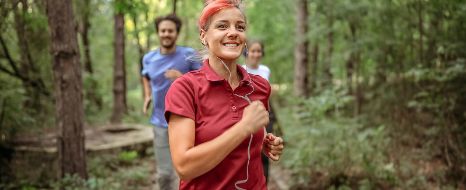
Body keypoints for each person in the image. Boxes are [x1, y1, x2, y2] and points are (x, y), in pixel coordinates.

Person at [164, 1, 284, 189]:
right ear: (204, 36)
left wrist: (264, 142)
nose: (233, 32)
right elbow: (184, 166)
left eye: (240, 27)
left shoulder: (260, 86)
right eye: (222, 26)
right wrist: (243, 128)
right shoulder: (185, 88)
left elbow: (253, 133)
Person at [141, 14, 201, 190]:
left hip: (187, 121)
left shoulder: (189, 55)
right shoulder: (148, 58)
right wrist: (147, 94)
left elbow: (204, 82)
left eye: (170, 31)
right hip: (160, 122)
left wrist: (181, 78)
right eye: (163, 30)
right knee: (165, 175)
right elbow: (145, 75)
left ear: (176, 33)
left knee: (188, 171)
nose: (166, 34)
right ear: (158, 33)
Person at [243, 40, 275, 183]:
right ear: (246, 52)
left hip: (265, 115)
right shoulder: (240, 70)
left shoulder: (265, 70)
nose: (256, 54)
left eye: (258, 51)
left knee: (264, 152)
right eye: (253, 51)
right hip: (246, 117)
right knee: (247, 152)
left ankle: (263, 183)